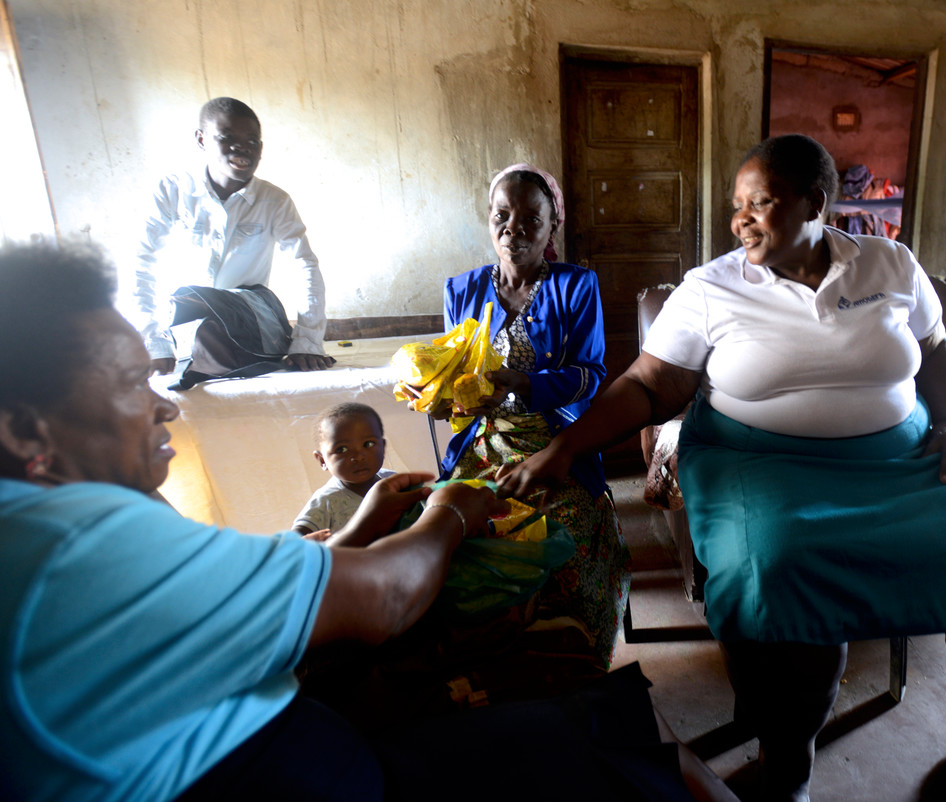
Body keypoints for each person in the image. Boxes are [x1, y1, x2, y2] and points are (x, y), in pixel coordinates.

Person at [0, 242, 737, 802]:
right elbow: (386, 598)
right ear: (27, 431)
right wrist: (449, 508)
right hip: (331, 776)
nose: (163, 403)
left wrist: (355, 534)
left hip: (297, 750)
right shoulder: (79, 547)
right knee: (621, 730)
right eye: (133, 383)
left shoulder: (41, 526)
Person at [498, 135, 946, 802]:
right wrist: (564, 448)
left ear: (816, 203)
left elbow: (933, 346)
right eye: (736, 207)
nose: (739, 221)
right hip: (760, 461)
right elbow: (647, 385)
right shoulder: (712, 288)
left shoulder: (889, 262)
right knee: (780, 576)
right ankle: (787, 769)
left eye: (759, 203)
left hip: (901, 459)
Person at [436, 163, 631, 669]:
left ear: (551, 229)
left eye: (530, 219)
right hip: (484, 443)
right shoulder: (461, 291)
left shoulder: (575, 286)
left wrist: (529, 384)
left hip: (556, 439)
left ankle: (569, 662)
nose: (512, 229)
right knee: (453, 527)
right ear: (488, 219)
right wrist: (448, 398)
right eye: (502, 215)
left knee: (564, 531)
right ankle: (489, 665)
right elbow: (455, 381)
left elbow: (590, 375)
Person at [134, 96, 334, 376]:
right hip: (181, 321)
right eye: (226, 138)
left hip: (245, 321)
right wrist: (154, 343)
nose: (242, 148)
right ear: (202, 140)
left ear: (261, 148)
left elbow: (305, 266)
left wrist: (308, 341)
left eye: (252, 141)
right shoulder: (172, 191)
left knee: (220, 320)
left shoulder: (274, 201)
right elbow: (141, 265)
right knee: (189, 309)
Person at [294, 402, 395, 539]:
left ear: (383, 448)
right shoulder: (327, 501)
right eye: (342, 449)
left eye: (368, 444)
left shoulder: (394, 482)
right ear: (322, 460)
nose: (358, 457)